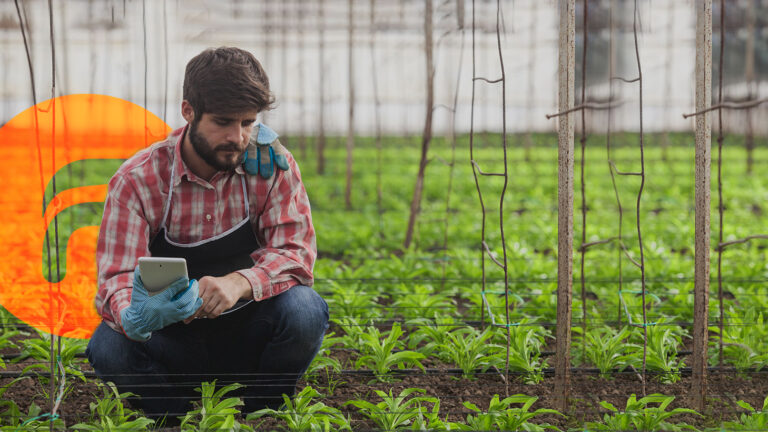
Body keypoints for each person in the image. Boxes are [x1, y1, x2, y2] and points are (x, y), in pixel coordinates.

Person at [85, 47, 328, 424]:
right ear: (188, 111)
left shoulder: (270, 166)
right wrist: (133, 315)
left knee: (305, 310)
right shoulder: (139, 181)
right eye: (223, 122)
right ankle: (171, 415)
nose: (238, 137)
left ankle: (261, 413)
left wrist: (241, 281)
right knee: (109, 346)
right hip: (172, 341)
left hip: (248, 332)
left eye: (248, 122)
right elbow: (116, 276)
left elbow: (295, 252)